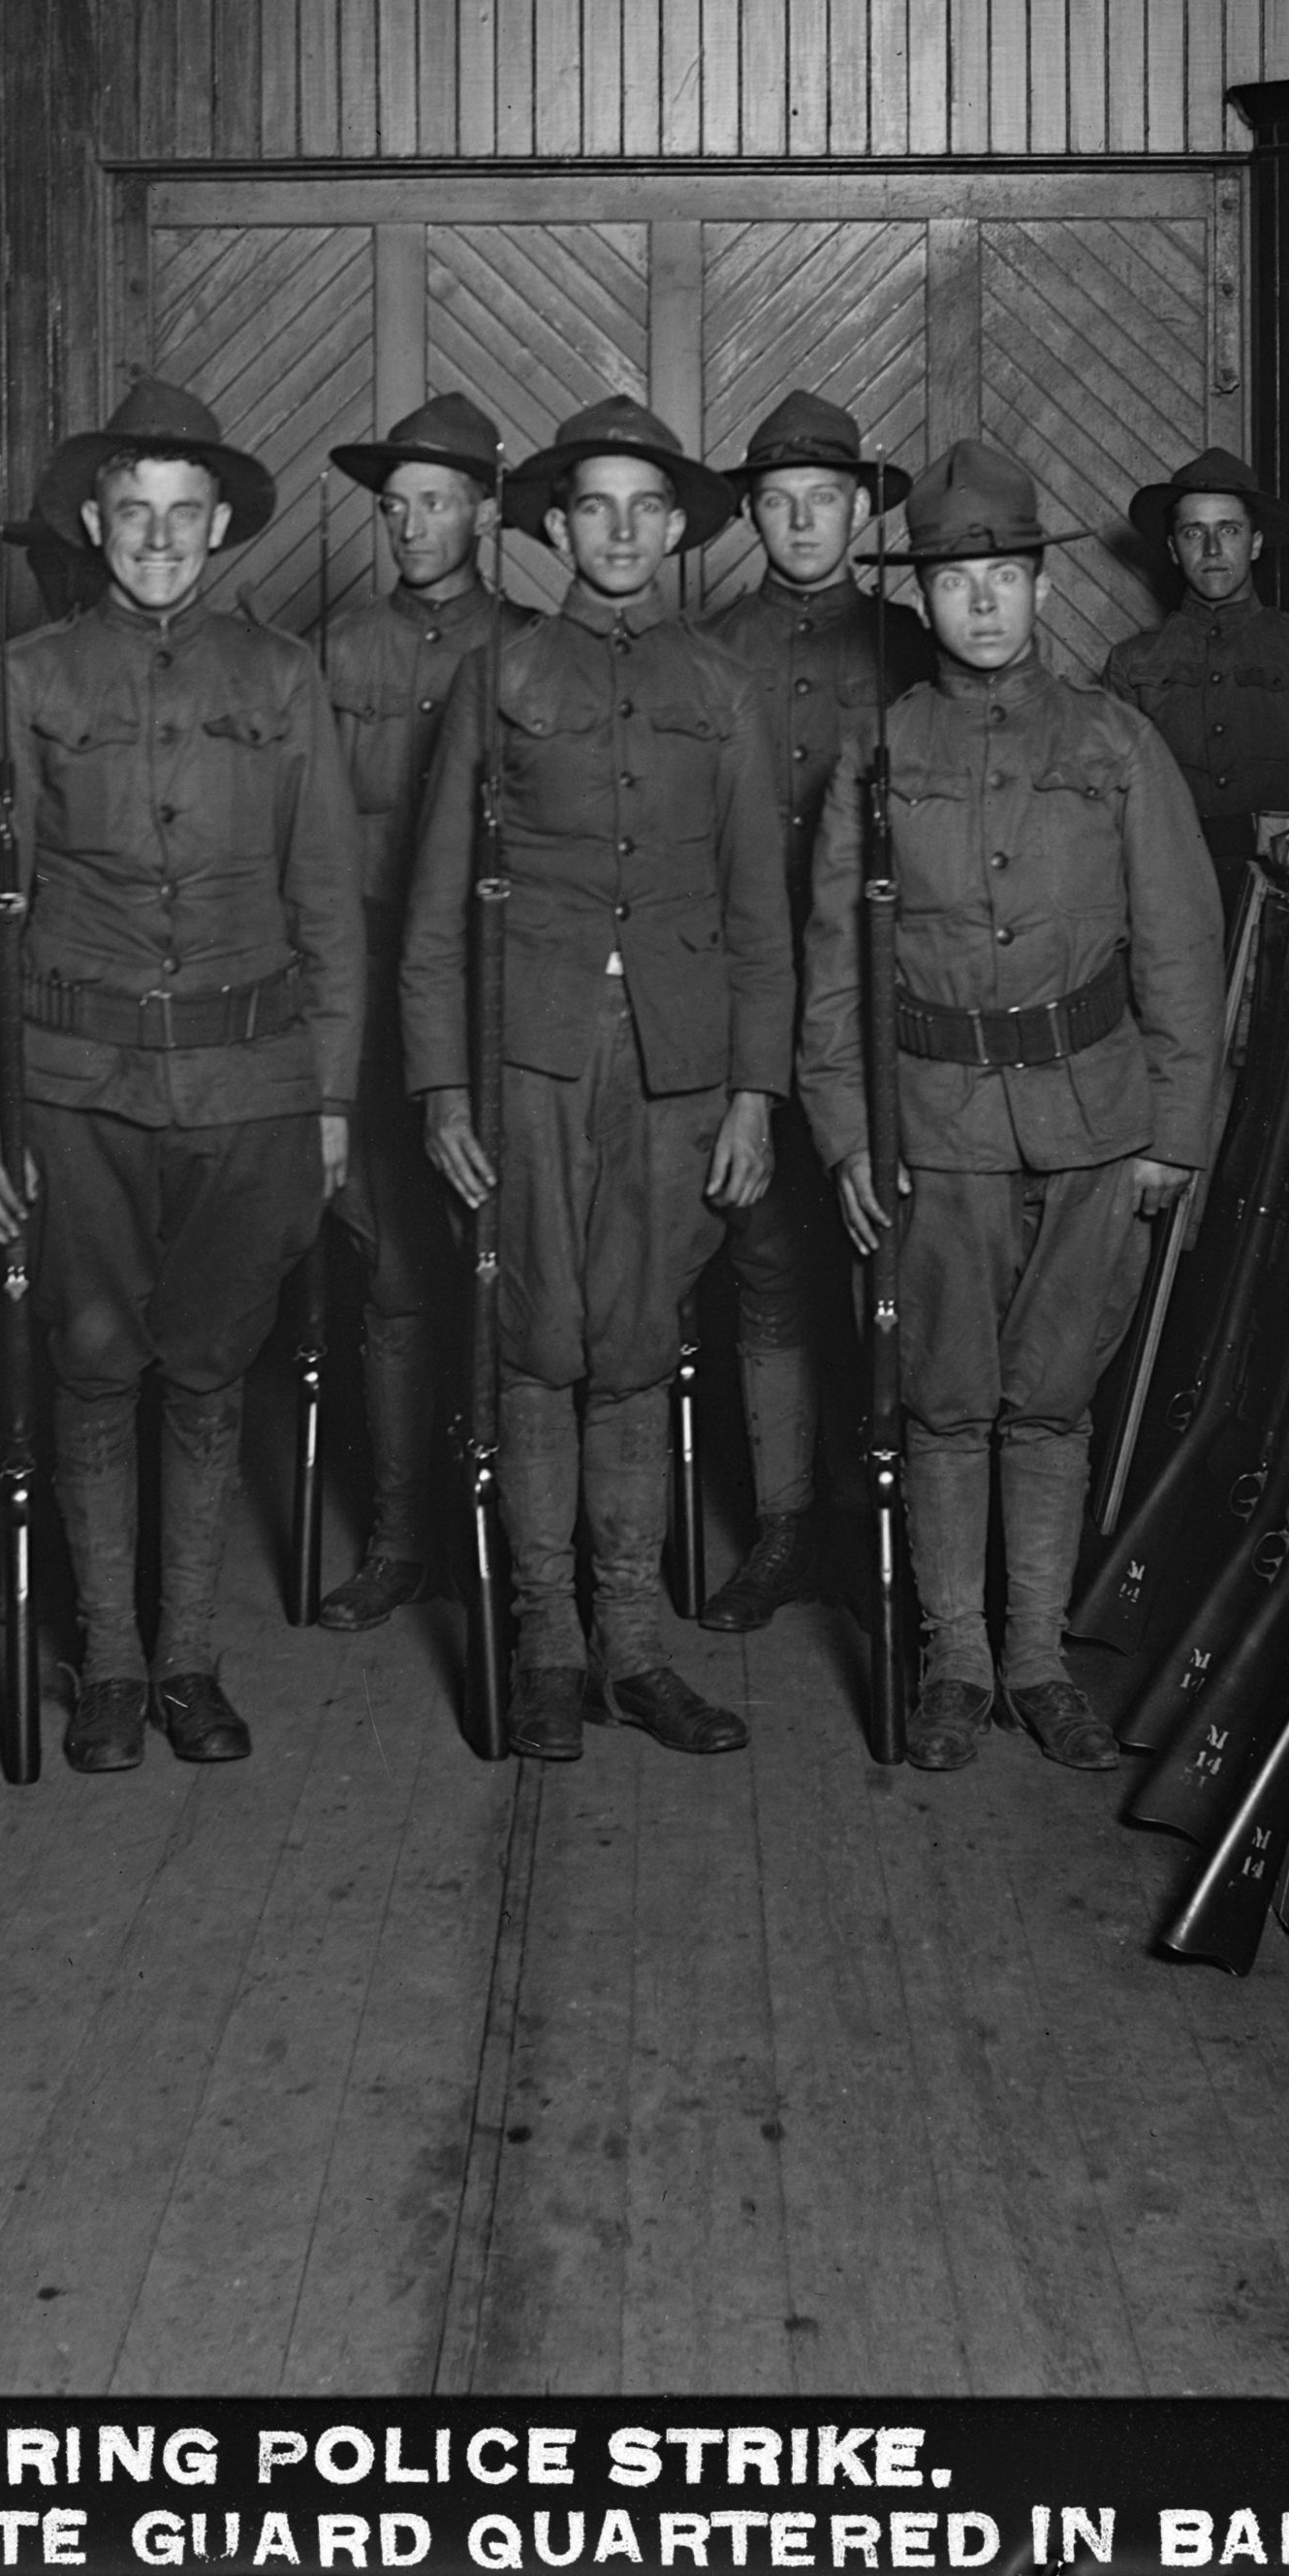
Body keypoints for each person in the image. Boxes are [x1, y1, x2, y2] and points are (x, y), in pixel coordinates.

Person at [0, 378, 362, 1774]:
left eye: (187, 514)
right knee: (93, 1358)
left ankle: (189, 1655)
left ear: (222, 524)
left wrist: (330, 1099)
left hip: (251, 1086)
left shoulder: (279, 676)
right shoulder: (25, 677)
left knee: (205, 1369)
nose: (161, 538)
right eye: (136, 512)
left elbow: (326, 898)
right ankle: (109, 1662)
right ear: (92, 519)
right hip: (75, 1083)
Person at [797, 443, 1224, 1773]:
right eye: (952, 579)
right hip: (933, 1128)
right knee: (945, 1397)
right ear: (918, 599)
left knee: (1050, 1400)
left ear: (1038, 586)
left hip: (1095, 1123)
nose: (979, 601)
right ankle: (956, 1663)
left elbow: (1179, 947)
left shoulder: (1114, 741)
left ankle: (1037, 1658)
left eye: (1002, 574)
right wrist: (847, 1133)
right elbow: (829, 968)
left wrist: (1172, 1132)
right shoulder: (876, 755)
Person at [402, 397, 787, 1758]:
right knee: (535, 1336)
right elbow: (438, 898)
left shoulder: (719, 689)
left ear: (675, 526)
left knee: (633, 1342)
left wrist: (754, 1089)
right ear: (554, 526)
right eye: (592, 508)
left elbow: (757, 903)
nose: (619, 530)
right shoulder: (498, 677)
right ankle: (548, 1638)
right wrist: (443, 1088)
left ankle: (632, 1642)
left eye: (644, 507)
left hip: (678, 1064)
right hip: (529, 1051)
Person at [694, 391, 929, 1633]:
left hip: (877, 1007)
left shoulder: (908, 647)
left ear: (858, 509)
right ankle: (783, 1526)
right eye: (778, 503)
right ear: (752, 513)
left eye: (823, 501)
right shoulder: (713, 649)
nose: (801, 521)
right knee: (767, 1260)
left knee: (886, 1257)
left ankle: (880, 1524)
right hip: (744, 998)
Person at [307, 390, 528, 1633]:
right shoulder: (337, 652)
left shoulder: (534, 646)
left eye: (437, 502)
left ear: (486, 511)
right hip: (376, 1004)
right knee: (393, 1281)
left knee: (506, 1274)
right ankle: (397, 1539)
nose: (411, 526)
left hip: (499, 1009)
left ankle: (495, 1532)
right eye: (395, 507)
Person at [1098, 446, 1289, 938]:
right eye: (1192, 532)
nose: (1210, 550)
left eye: (1228, 530)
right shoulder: (1133, 664)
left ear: (1255, 543)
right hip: (1172, 903)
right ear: (1171, 549)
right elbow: (1116, 811)